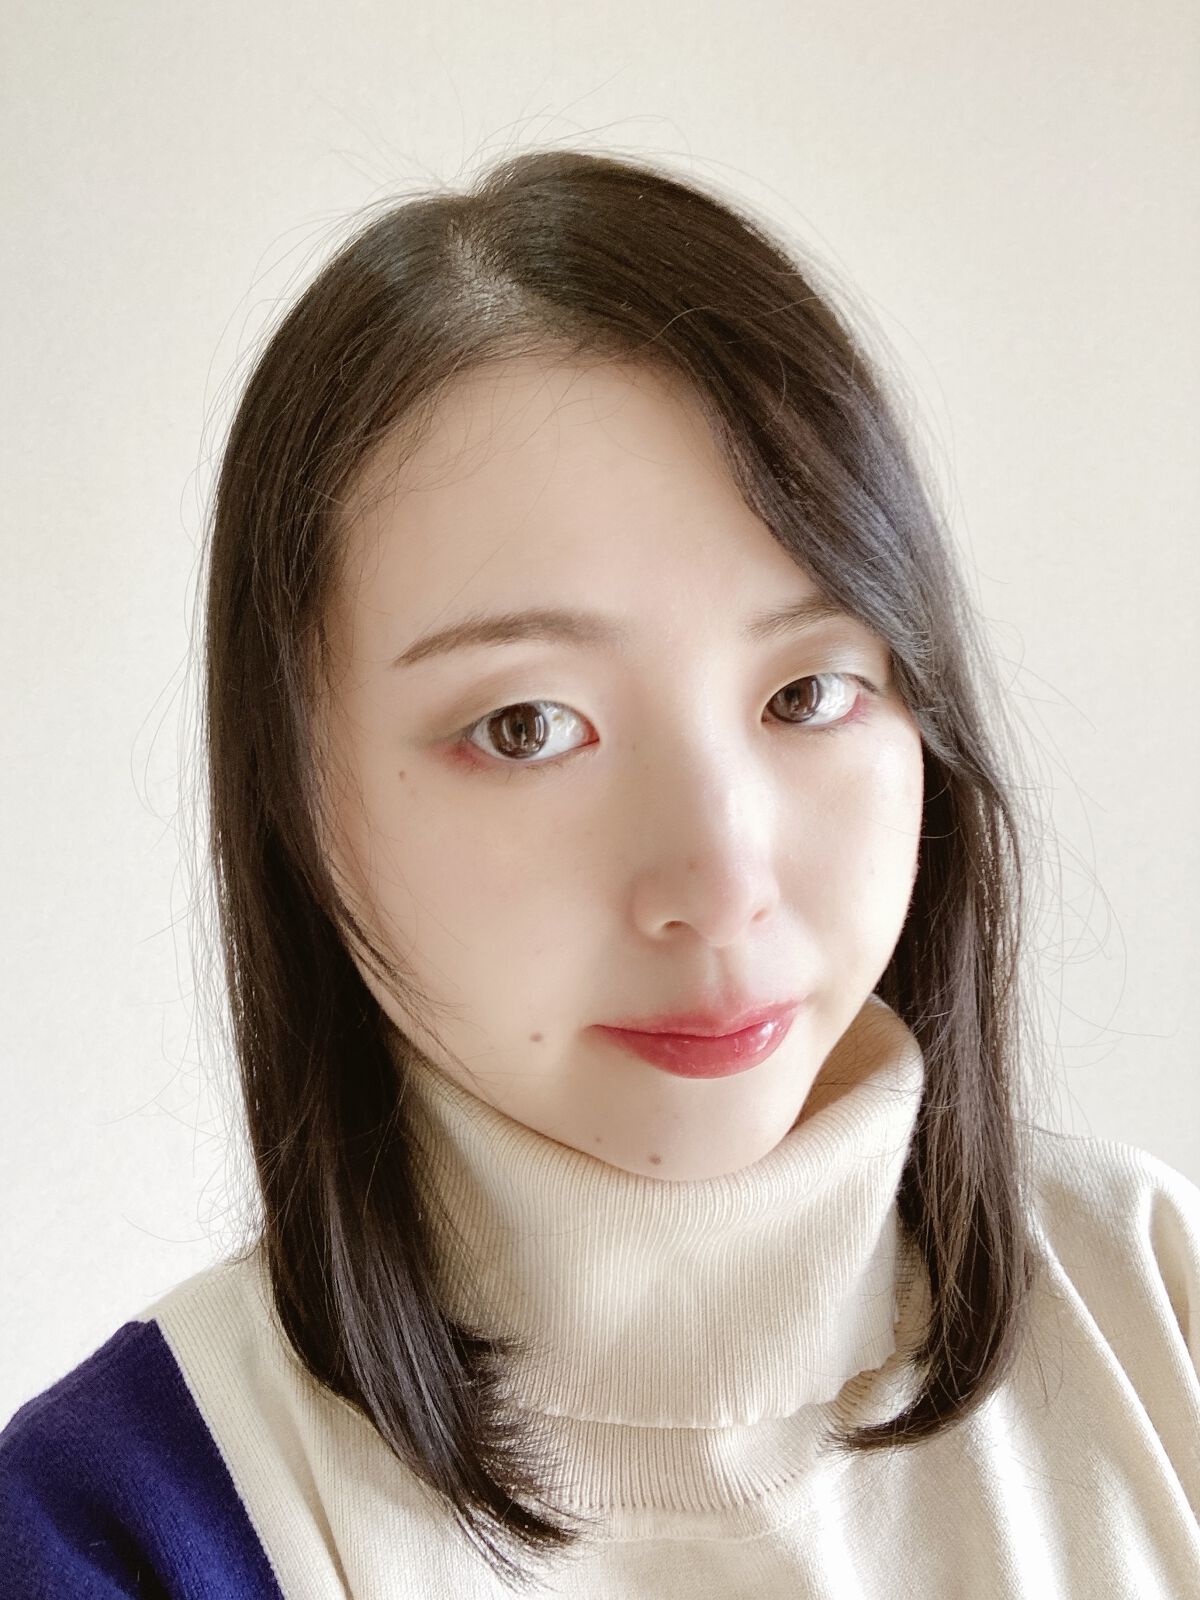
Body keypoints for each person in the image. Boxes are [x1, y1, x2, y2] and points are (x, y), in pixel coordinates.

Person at [2, 148, 1198, 1599]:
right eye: (527, 725)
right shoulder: (119, 1528)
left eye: (810, 693)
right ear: (297, 799)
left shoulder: (1159, 1309)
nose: (720, 881)